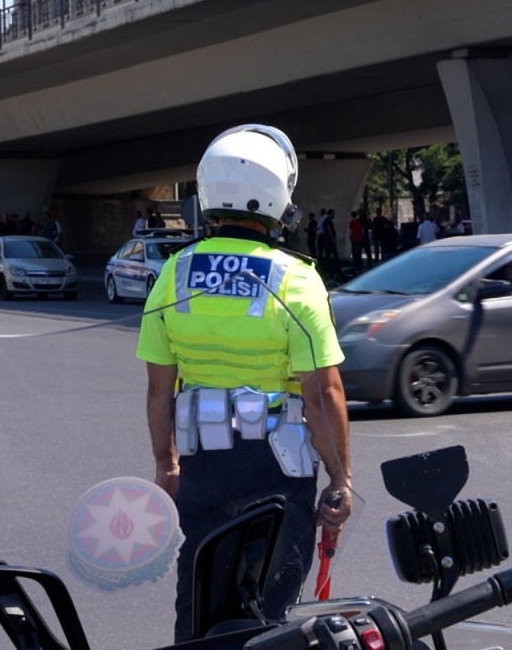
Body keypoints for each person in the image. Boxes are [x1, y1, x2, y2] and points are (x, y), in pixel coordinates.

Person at [137, 125, 353, 643]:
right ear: (279, 195)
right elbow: (324, 394)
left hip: (203, 468)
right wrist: (341, 479)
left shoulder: (173, 274)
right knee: (271, 617)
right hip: (275, 471)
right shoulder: (295, 278)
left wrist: (166, 464)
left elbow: (158, 389)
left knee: (201, 601)